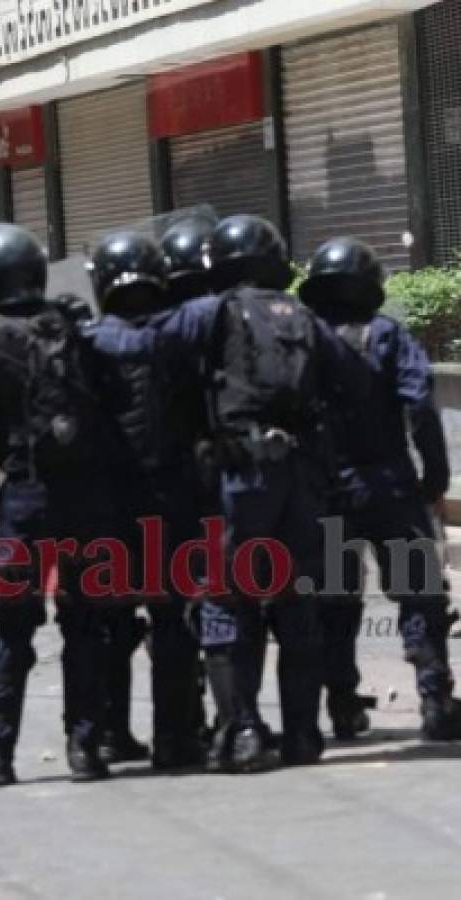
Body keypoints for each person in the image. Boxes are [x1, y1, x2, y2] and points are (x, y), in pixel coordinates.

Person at [158, 214, 356, 772]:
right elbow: (348, 387)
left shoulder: (205, 313)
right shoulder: (306, 317)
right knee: (298, 609)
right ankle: (303, 737)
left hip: (240, 479)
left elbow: (157, 374)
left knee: (228, 602)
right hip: (301, 482)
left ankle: (242, 732)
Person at [0, 223, 125, 786]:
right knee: (86, 626)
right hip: (87, 498)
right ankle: (86, 750)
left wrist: (3, 435)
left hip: (24, 498)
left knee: (13, 630)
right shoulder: (73, 333)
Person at [300, 237, 461, 741]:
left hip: (328, 492)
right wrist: (434, 478)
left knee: (336, 602)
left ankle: (343, 705)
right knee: (420, 596)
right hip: (390, 487)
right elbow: (420, 407)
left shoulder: (306, 340)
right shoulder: (387, 334)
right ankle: (436, 702)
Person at [85, 231, 206, 770]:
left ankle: (111, 733)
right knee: (172, 621)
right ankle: (177, 737)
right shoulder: (181, 338)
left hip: (108, 505)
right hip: (173, 501)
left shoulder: (86, 342)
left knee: (112, 623)